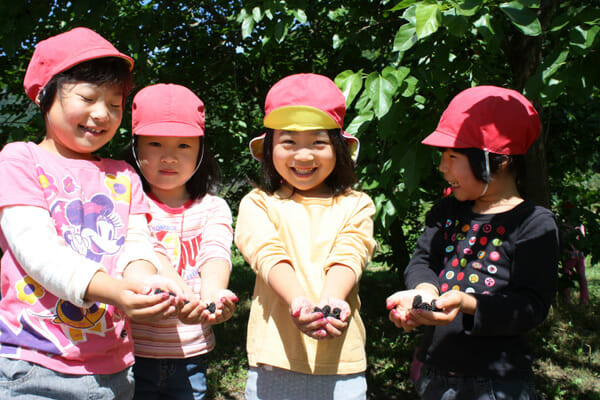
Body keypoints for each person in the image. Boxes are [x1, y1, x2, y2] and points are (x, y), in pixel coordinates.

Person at [0, 27, 181, 399]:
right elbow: (37, 251)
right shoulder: (19, 159)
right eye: (87, 97)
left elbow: (136, 244)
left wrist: (147, 283)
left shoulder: (123, 174)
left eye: (115, 104)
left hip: (114, 365)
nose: (102, 114)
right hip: (32, 363)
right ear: (43, 96)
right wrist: (114, 290)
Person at [387, 86, 559, 400]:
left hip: (496, 382)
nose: (442, 167)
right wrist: (423, 292)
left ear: (500, 161)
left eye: (453, 156)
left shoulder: (533, 223)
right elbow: (424, 260)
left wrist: (467, 303)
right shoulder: (447, 211)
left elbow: (530, 305)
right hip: (435, 372)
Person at [234, 73, 377, 400]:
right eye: (289, 142)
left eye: (318, 142)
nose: (303, 156)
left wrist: (331, 301)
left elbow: (350, 254)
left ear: (338, 148)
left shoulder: (357, 204)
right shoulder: (259, 204)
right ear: (270, 148)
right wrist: (299, 302)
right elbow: (267, 255)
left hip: (342, 365)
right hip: (274, 362)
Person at [124, 83, 238, 399]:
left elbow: (215, 252)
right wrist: (186, 295)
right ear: (135, 147)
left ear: (201, 150)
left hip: (191, 355)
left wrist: (212, 297)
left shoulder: (213, 207)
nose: (170, 157)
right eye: (156, 143)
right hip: (130, 353)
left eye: (184, 146)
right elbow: (145, 245)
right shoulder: (124, 202)